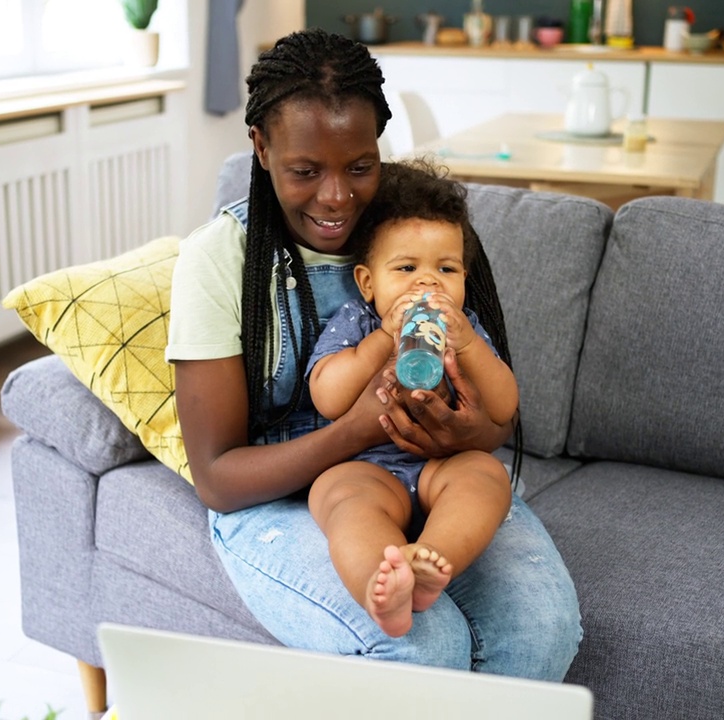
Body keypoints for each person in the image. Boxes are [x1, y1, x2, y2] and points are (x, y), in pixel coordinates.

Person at [166, 27, 581, 681]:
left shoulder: (412, 235)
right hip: (289, 493)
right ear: (261, 146)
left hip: (434, 476)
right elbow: (218, 479)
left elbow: (497, 415)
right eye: (306, 171)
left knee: (541, 632)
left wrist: (470, 429)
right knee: (420, 644)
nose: (337, 197)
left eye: (359, 166)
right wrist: (358, 429)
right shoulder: (221, 260)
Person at [305, 160, 518, 639]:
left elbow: (504, 406)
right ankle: (380, 590)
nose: (428, 284)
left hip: (441, 466)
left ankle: (430, 564)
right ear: (367, 282)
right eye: (406, 269)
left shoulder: (467, 329)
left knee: (486, 476)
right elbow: (327, 396)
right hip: (367, 465)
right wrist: (382, 339)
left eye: (446, 268)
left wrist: (468, 345)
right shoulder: (357, 322)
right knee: (340, 497)